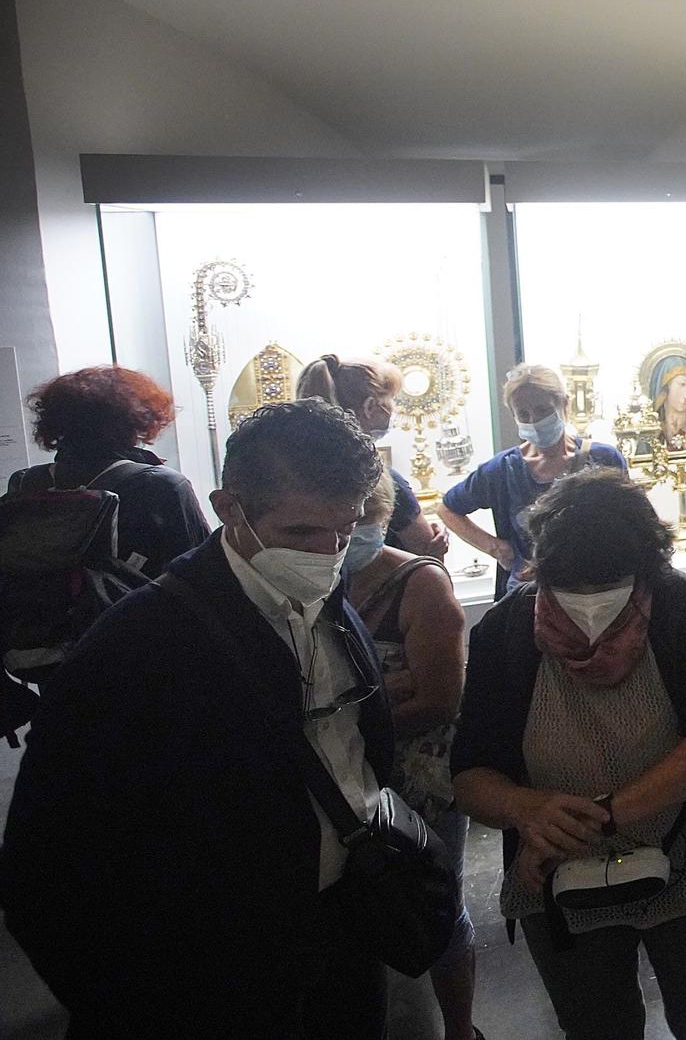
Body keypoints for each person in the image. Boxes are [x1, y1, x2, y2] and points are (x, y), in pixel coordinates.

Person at [0, 399, 396, 1038]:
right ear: (227, 508)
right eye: (301, 535)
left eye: (344, 532)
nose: (328, 554)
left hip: (340, 941)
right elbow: (43, 869)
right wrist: (130, 1005)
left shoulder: (326, 599)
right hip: (206, 977)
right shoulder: (134, 648)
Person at [453, 468, 686, 1039]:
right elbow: (471, 774)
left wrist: (611, 811)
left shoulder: (683, 610)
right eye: (572, 592)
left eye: (608, 590)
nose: (590, 608)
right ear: (542, 573)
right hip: (556, 873)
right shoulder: (506, 633)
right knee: (595, 1022)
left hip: (685, 860)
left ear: (645, 571)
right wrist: (526, 810)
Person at [346, 472, 478, 1040]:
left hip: (418, 774)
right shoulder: (320, 580)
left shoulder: (419, 584)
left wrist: (348, 711)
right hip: (346, 771)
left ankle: (459, 1029)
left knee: (433, 901)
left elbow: (440, 701)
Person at [439, 363, 627, 595]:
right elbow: (448, 508)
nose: (534, 420)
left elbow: (632, 520)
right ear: (514, 415)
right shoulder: (503, 469)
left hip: (598, 587)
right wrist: (495, 547)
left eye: (542, 410)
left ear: (564, 405)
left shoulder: (603, 458)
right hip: (530, 595)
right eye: (523, 414)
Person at [8, 363, 210, 576]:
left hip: (30, 609)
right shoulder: (162, 485)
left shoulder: (25, 482)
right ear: (135, 420)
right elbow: (204, 570)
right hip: (130, 608)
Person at [298, 353, 451, 560]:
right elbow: (427, 551)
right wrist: (436, 548)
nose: (393, 410)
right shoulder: (381, 480)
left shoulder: (292, 473)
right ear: (370, 406)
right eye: (391, 400)